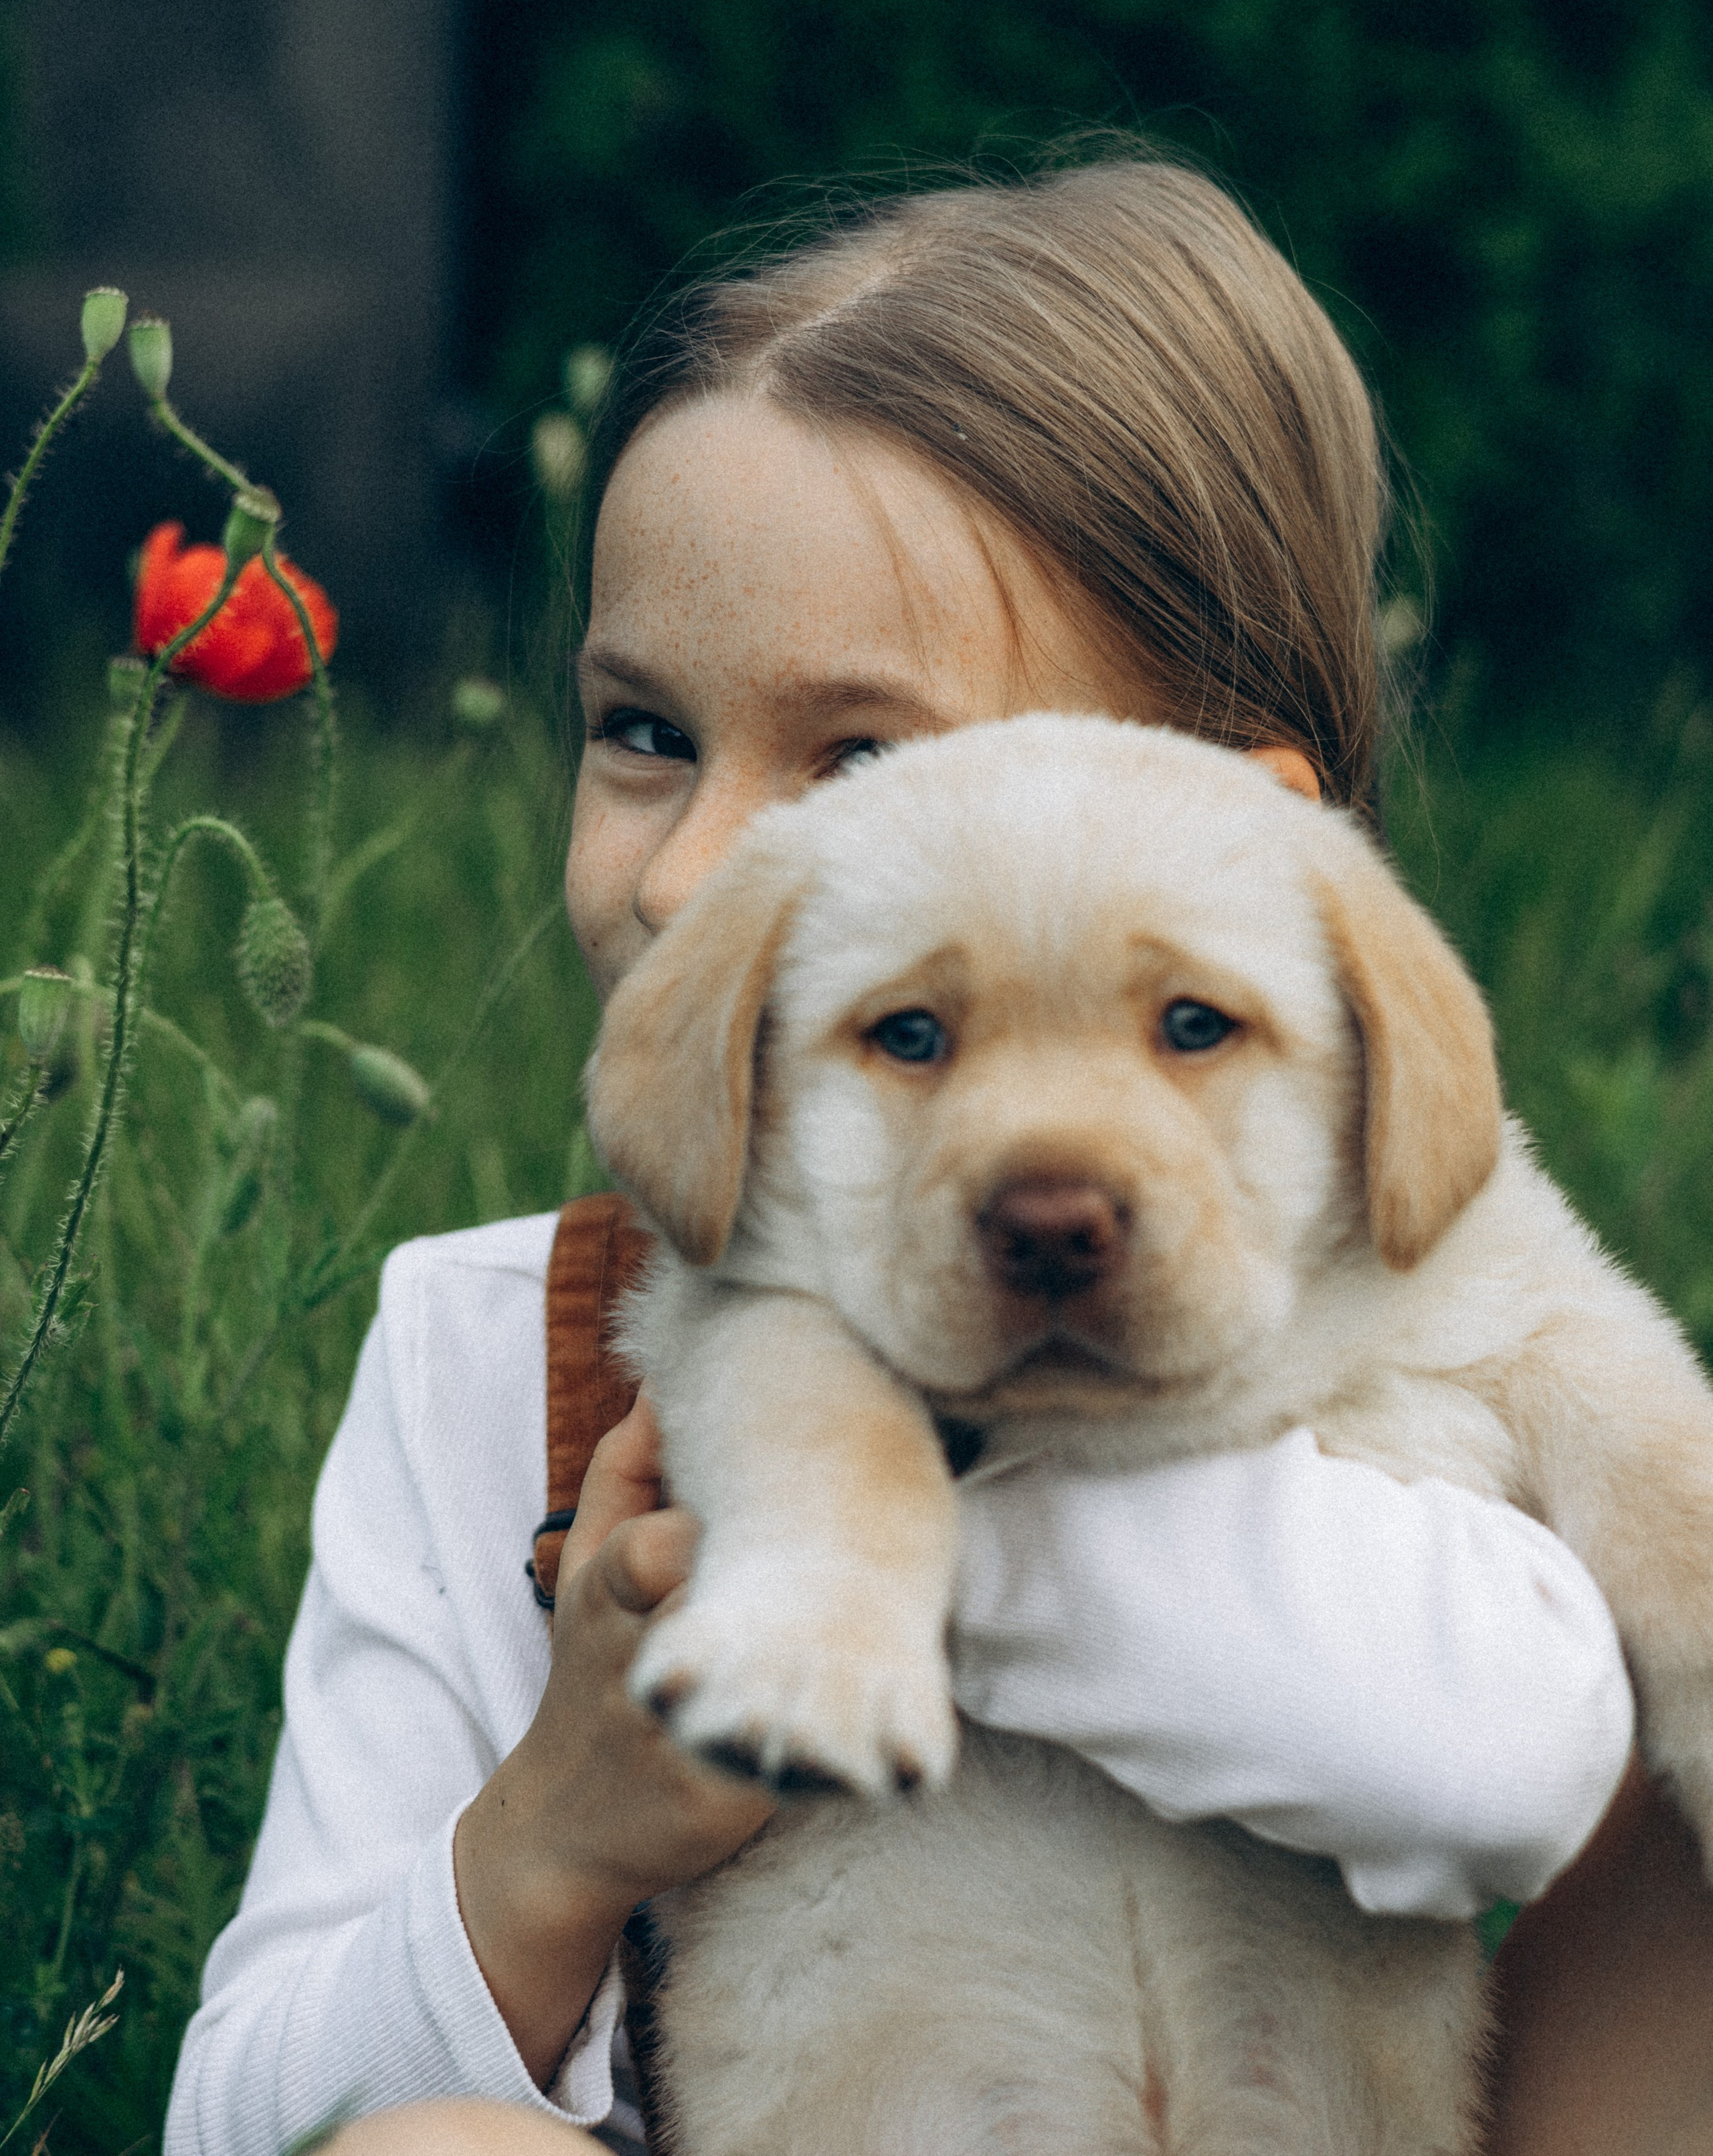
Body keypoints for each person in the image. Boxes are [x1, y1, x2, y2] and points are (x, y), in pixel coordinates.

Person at [167, 154, 1681, 2156]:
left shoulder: (1392, 1278)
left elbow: (1500, 1771)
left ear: (1227, 833)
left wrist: (876, 1556)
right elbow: (236, 2120)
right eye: (640, 731)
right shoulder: (482, 1349)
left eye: (864, 764)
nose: (705, 866)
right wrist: (563, 1820)